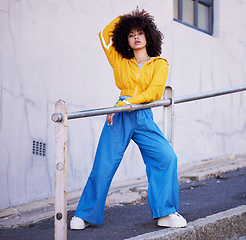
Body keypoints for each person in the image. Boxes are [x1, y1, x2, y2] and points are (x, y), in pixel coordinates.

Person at [70, 9, 187, 230]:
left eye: (140, 32)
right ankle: (85, 214)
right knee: (104, 164)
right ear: (127, 38)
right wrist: (127, 18)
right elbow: (104, 34)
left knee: (166, 157)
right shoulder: (119, 59)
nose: (135, 37)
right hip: (120, 116)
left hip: (142, 114)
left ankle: (166, 212)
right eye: (131, 33)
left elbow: (155, 93)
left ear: (148, 36)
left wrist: (128, 104)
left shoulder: (159, 64)